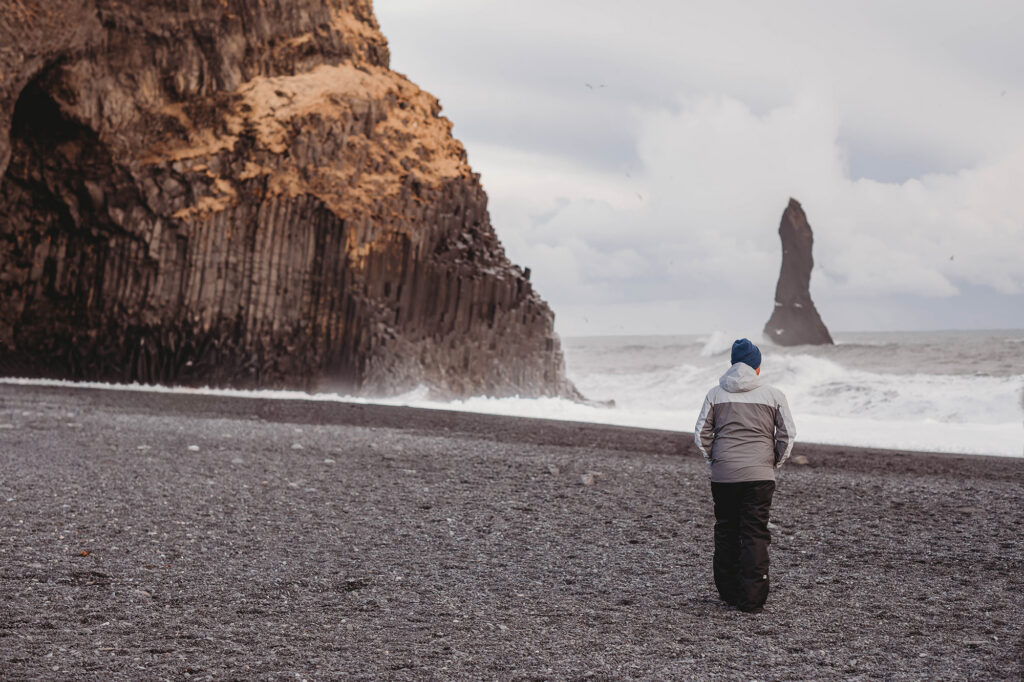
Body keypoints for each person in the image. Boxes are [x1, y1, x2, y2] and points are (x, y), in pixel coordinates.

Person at [694, 338, 795, 613]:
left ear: (732, 365)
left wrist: (714, 459)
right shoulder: (773, 395)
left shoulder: (716, 394)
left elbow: (701, 434)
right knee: (755, 532)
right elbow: (787, 435)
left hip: (724, 474)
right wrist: (773, 462)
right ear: (757, 367)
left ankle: (728, 592)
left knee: (727, 528)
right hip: (760, 475)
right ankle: (752, 599)